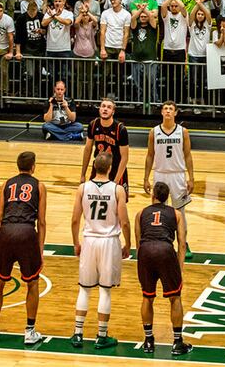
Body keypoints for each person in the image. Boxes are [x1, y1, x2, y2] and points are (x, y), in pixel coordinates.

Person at [70, 152, 131, 349]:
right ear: (111, 168)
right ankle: (101, 335)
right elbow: (125, 222)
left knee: (84, 289)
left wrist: (75, 243)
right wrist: (128, 244)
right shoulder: (118, 190)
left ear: (94, 167)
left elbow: (74, 220)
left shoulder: (82, 188)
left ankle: (78, 334)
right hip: (109, 242)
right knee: (105, 291)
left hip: (89, 240)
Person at [0, 151, 47, 345]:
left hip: (5, 231)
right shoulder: (40, 185)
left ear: (18, 166)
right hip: (27, 232)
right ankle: (29, 331)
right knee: (33, 283)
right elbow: (42, 222)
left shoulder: (6, 184)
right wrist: (40, 249)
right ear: (33, 166)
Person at [134, 181, 191, 356]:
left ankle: (149, 341)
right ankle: (177, 342)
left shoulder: (140, 213)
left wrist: (142, 260)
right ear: (167, 198)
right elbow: (182, 244)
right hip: (165, 251)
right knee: (175, 297)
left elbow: (138, 243)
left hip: (145, 251)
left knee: (147, 297)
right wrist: (179, 267)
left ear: (153, 197)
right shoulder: (176, 214)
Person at [143, 102, 195, 260]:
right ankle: (162, 241)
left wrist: (191, 177)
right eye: (165, 109)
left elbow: (187, 155)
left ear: (176, 113)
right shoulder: (154, 132)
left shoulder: (183, 132)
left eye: (170, 109)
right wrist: (146, 178)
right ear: (161, 112)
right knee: (159, 211)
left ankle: (183, 243)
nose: (167, 111)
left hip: (178, 175)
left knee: (181, 212)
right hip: (160, 174)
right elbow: (150, 155)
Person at [81, 99, 130, 196]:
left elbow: (124, 158)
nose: (105, 109)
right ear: (99, 109)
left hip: (116, 169)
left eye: (109, 107)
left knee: (118, 203)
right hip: (98, 168)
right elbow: (87, 150)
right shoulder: (93, 124)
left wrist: (116, 182)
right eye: (103, 106)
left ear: (113, 112)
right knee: (92, 198)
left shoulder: (120, 129)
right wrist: (83, 174)